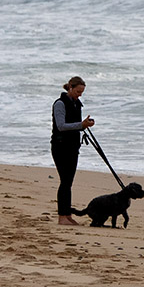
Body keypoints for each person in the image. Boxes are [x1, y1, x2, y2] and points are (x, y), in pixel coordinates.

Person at [51, 76, 94, 225]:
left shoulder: (77, 104)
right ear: (70, 88)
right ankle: (62, 217)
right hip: (60, 146)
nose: (79, 95)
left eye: (81, 92)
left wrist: (85, 125)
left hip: (73, 147)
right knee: (65, 181)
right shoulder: (59, 104)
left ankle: (67, 215)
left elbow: (76, 125)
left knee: (68, 182)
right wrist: (81, 125)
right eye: (77, 91)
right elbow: (61, 126)